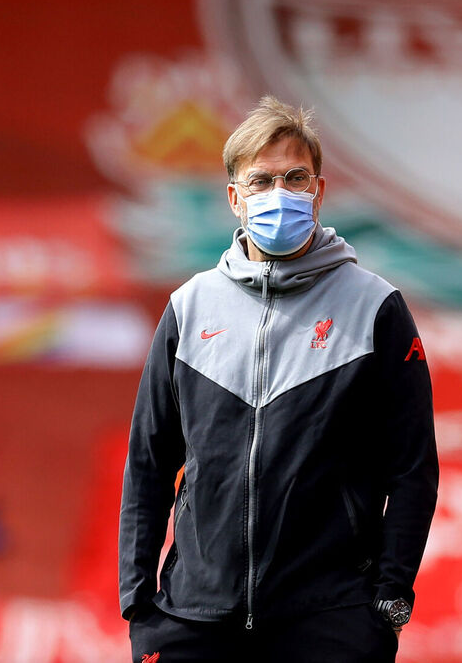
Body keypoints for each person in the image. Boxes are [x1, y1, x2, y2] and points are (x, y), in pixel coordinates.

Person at [119, 96, 439, 663]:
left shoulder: (374, 307)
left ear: (318, 190)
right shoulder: (189, 307)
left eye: (295, 178)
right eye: (261, 181)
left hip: (329, 620)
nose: (280, 194)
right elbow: (149, 461)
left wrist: (388, 602)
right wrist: (139, 603)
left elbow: (414, 468)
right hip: (193, 618)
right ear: (234, 198)